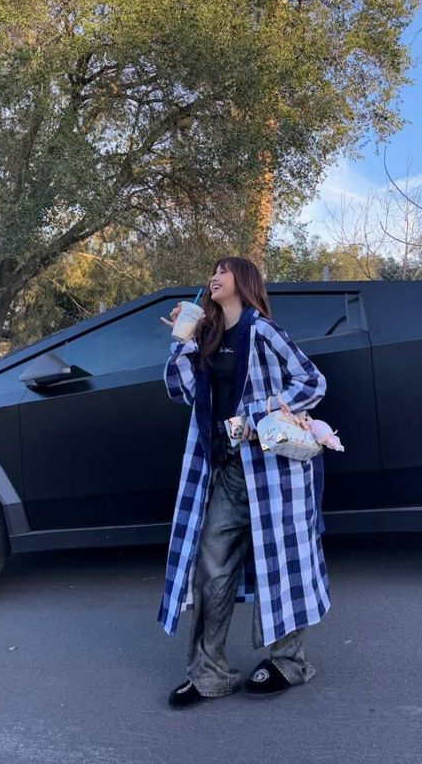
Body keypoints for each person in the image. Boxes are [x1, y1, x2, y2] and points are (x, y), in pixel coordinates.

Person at [158, 256, 330, 709]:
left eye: (224, 271)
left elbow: (312, 382)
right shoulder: (208, 338)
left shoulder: (263, 331)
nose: (214, 277)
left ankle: (288, 663)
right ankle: (209, 673)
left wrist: (259, 414)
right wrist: (184, 343)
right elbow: (180, 392)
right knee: (211, 566)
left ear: (244, 281)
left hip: (274, 469)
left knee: (283, 560)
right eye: (212, 271)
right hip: (226, 468)